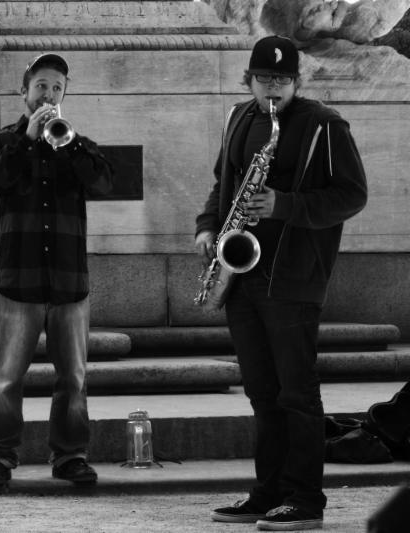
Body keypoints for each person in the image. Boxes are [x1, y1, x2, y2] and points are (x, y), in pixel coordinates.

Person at [195, 35, 367, 531]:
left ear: (297, 81)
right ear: (247, 79)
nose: (274, 88)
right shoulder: (239, 118)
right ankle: (267, 491)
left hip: (293, 281)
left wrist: (283, 205)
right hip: (243, 277)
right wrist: (209, 227)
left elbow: (352, 195)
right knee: (261, 393)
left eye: (283, 79)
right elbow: (221, 183)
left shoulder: (324, 125)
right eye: (265, 79)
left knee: (297, 394)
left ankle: (305, 501)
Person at [0, 53, 113, 487]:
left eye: (56, 87)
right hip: (18, 281)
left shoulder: (79, 145)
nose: (48, 95)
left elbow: (103, 182)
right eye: (41, 86)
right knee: (3, 380)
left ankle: (70, 456)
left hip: (70, 284)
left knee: (73, 379)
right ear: (24, 92)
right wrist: (29, 140)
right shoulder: (1, 142)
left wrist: (65, 144)